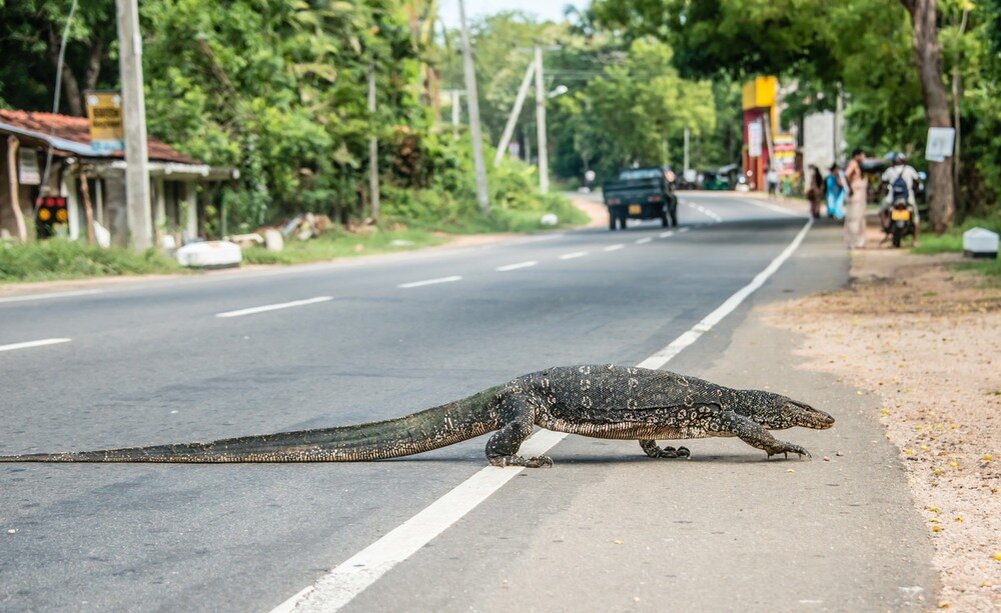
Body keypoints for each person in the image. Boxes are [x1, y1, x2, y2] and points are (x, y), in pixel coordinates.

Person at [879, 153, 921, 246]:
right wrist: (915, 190)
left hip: (892, 198)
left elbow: (882, 182)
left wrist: (882, 189)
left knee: (881, 211)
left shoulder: (890, 170)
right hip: (908, 197)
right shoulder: (910, 169)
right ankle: (915, 240)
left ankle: (886, 225)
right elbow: (917, 181)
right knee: (916, 217)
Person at [843, 148, 868, 249]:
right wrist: (850, 188)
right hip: (855, 192)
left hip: (858, 192)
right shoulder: (853, 163)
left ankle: (859, 242)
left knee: (860, 218)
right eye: (862, 155)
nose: (864, 157)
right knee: (854, 218)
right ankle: (853, 242)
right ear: (857, 155)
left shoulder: (857, 165)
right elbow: (846, 175)